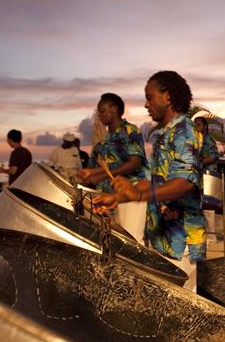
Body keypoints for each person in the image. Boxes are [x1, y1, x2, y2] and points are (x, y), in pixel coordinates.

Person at [93, 71, 206, 292]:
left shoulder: (184, 132)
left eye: (149, 97)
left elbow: (184, 183)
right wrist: (118, 197)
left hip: (180, 240)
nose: (146, 104)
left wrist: (140, 195)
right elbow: (153, 182)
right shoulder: (165, 134)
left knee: (179, 309)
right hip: (161, 237)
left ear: (168, 97)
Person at [77, 93, 147, 241]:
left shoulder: (129, 130)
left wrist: (100, 175)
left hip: (135, 187)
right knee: (121, 237)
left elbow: (135, 162)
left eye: (102, 111)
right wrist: (92, 172)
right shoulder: (109, 136)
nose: (99, 115)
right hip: (118, 190)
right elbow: (113, 165)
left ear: (114, 110)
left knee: (132, 238)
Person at [194, 116, 220, 240]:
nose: (196, 127)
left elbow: (215, 156)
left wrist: (202, 162)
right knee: (198, 207)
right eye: (195, 125)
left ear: (205, 126)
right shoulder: (195, 140)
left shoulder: (209, 140)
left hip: (208, 175)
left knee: (208, 208)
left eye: (198, 125)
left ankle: (211, 237)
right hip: (197, 176)